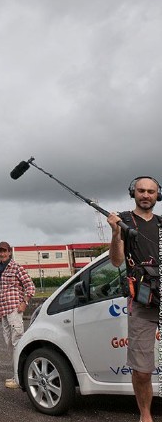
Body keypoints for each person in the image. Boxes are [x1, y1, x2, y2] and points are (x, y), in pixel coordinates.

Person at [107, 176, 160, 422]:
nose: (146, 195)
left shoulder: (161, 224)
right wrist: (116, 233)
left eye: (151, 191)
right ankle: (146, 416)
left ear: (157, 195)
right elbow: (117, 261)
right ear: (133, 192)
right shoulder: (124, 221)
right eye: (141, 190)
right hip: (142, 301)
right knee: (141, 369)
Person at [0, 241, 35, 389]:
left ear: (9, 252)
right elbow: (2, 291)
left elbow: (30, 286)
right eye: (0, 251)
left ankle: (19, 378)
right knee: (9, 344)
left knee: (17, 342)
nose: (2, 254)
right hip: (4, 310)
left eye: (5, 251)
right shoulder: (1, 269)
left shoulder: (15, 267)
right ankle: (17, 374)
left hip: (14, 310)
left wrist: (25, 302)